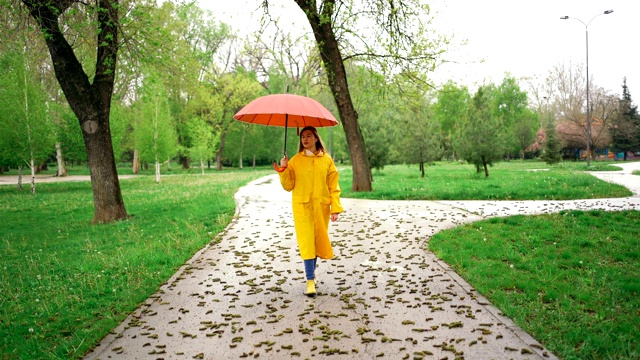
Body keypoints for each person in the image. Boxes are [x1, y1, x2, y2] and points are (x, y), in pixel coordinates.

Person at [276, 126, 343, 297]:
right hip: (302, 207)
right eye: (302, 137)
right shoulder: (295, 161)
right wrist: (284, 170)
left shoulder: (327, 160)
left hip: (321, 207)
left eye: (308, 136)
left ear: (315, 138)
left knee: (317, 241)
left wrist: (335, 208)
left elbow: (333, 187)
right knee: (307, 242)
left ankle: (311, 276)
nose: (305, 139)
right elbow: (288, 186)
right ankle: (310, 280)